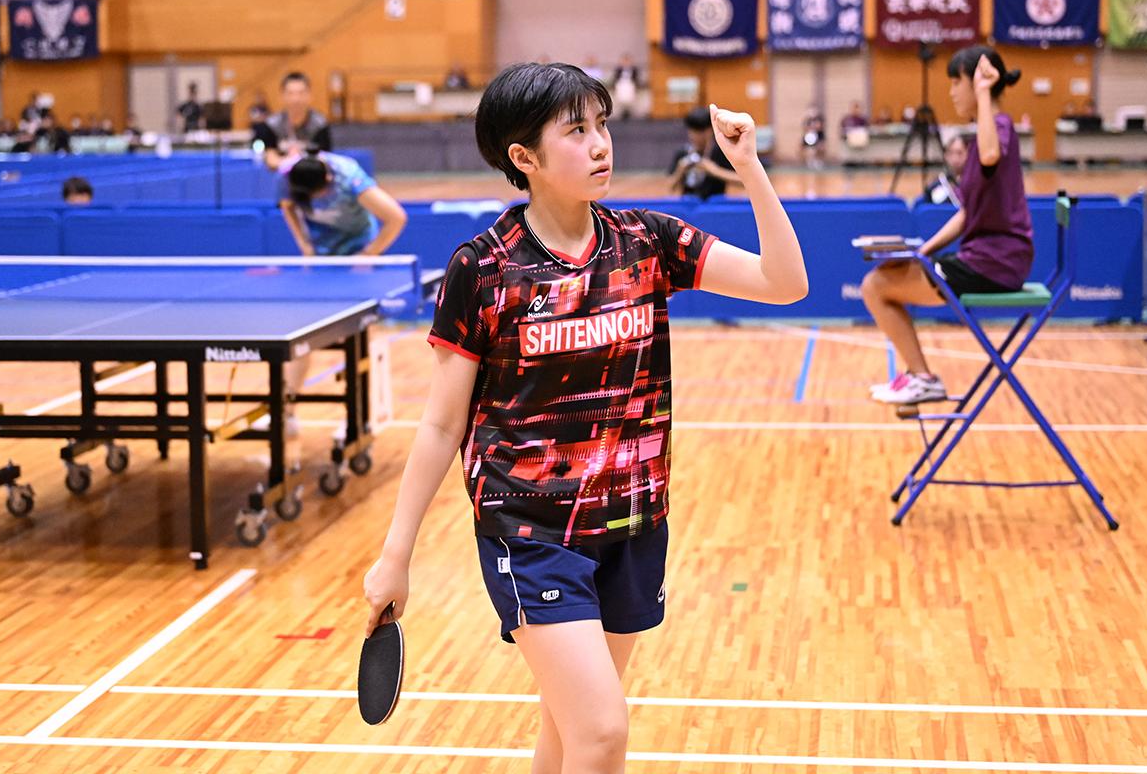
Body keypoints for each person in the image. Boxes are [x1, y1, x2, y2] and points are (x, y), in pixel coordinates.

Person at [361, 62, 807, 772]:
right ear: (524, 157)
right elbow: (443, 425)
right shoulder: (484, 269)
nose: (600, 144)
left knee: (568, 735)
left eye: (602, 125)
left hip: (632, 522)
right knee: (600, 732)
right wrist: (396, 556)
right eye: (576, 131)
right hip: (531, 530)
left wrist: (749, 167)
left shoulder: (647, 242)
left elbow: (785, 283)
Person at [861, 45, 1029, 406]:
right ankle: (919, 377)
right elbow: (968, 213)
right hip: (983, 259)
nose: (951, 91)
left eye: (957, 82)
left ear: (980, 83)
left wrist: (983, 93)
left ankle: (923, 379)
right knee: (881, 280)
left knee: (875, 286)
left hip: (995, 263)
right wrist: (922, 252)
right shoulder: (983, 136)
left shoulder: (998, 129)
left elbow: (990, 154)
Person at [276, 149, 408, 434]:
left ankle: (356, 418)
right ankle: (286, 413)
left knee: (355, 341)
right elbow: (287, 206)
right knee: (300, 338)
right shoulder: (288, 174)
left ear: (328, 178)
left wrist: (369, 255)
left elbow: (396, 217)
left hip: (355, 263)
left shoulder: (350, 178)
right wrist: (304, 245)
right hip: (321, 264)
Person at [254, 71, 332, 170]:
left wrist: (297, 158)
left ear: (309, 95)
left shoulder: (320, 125)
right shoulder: (271, 125)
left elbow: (324, 159)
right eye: (290, 93)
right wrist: (291, 160)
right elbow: (271, 159)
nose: (296, 99)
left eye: (301, 93)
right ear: (282, 96)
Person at [669, 106, 738, 200]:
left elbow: (742, 180)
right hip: (689, 204)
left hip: (713, 205)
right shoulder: (683, 153)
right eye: (691, 131)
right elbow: (669, 187)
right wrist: (680, 171)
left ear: (710, 131)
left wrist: (715, 171)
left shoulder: (720, 152)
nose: (694, 136)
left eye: (699, 132)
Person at [919, 133, 967, 207]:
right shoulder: (935, 186)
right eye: (951, 153)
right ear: (945, 156)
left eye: (959, 153)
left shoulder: (975, 185)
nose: (955, 158)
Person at [611, 53, 639, 120]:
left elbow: (636, 79)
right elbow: (615, 79)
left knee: (630, 100)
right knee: (619, 99)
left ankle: (630, 113)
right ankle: (619, 114)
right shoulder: (618, 69)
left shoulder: (634, 69)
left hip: (630, 85)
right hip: (620, 86)